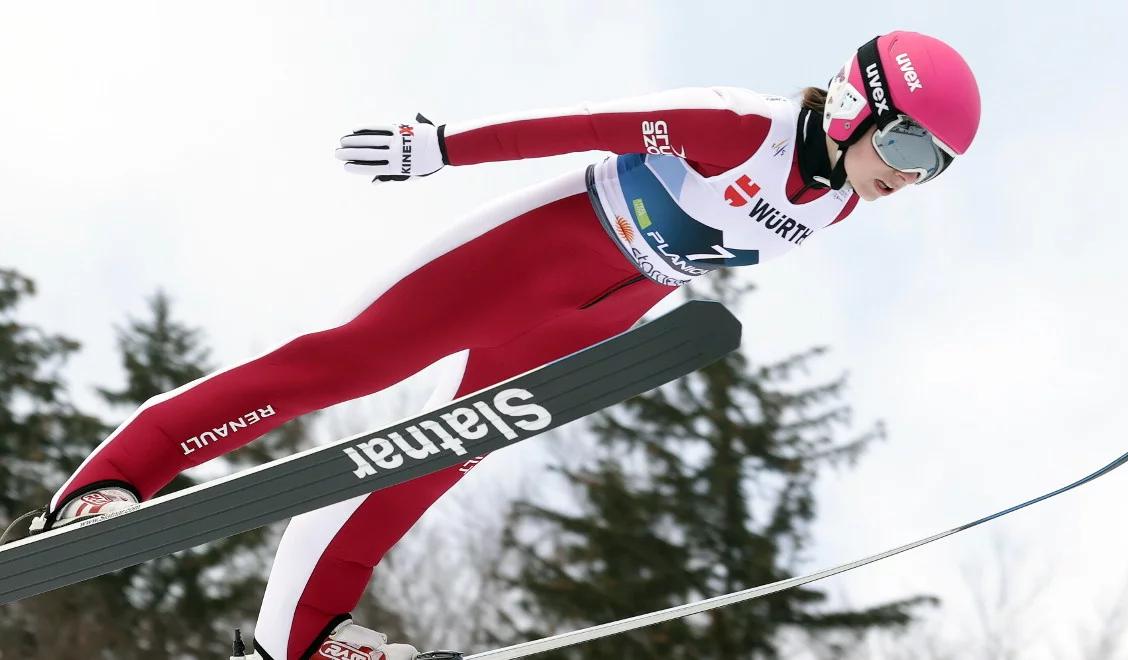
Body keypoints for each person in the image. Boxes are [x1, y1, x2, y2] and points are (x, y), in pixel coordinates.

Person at [6, 30, 980, 660]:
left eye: (934, 168)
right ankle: (113, 481)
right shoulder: (740, 127)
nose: (911, 177)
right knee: (348, 363)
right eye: (907, 149)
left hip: (603, 313)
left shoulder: (845, 201)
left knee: (447, 447)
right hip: (538, 251)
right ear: (859, 106)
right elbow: (583, 124)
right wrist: (443, 145)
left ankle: (297, 633)